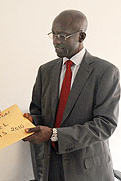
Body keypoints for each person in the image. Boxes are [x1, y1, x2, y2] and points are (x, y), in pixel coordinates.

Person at [23, 10, 120, 181]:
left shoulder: (106, 72)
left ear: (81, 36)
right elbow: (37, 111)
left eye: (62, 35)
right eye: (53, 34)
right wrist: (29, 122)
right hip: (51, 166)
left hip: (88, 170)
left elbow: (105, 124)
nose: (55, 41)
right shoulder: (45, 71)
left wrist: (55, 134)